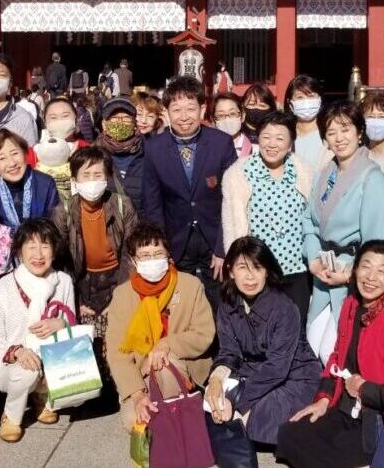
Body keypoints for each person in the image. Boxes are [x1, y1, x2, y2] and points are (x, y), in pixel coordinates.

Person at [276, 241, 384, 468]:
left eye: (382, 271)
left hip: (377, 421)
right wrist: (323, 399)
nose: (371, 277)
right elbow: (337, 357)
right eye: (366, 266)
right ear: (355, 269)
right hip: (345, 409)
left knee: (322, 456)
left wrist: (364, 388)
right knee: (289, 434)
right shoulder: (351, 305)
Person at [205, 237, 320, 457]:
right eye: (242, 268)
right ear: (230, 271)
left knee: (253, 416)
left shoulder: (284, 308)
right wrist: (216, 379)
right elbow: (229, 352)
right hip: (254, 374)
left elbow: (277, 367)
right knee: (213, 403)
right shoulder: (227, 305)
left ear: (267, 271)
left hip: (295, 375)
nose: (250, 276)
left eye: (257, 268)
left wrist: (237, 401)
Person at [303, 102, 384, 357]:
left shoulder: (371, 178)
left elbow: (379, 244)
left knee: (336, 353)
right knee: (313, 345)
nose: (339, 138)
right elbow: (309, 222)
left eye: (345, 129)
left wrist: (353, 275)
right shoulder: (326, 173)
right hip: (324, 270)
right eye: (331, 132)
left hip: (351, 273)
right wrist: (313, 260)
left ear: (359, 132)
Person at [104, 223, 216, 431]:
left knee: (164, 366)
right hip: (141, 374)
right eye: (145, 255)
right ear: (133, 261)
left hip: (182, 368)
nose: (152, 260)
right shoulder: (122, 295)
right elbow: (117, 352)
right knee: (134, 421)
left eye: (158, 253)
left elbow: (204, 333)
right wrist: (137, 395)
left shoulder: (190, 285)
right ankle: (172, 421)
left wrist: (166, 344)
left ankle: (177, 421)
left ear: (168, 256)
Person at [142, 76, 238, 307]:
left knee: (220, 304)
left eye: (190, 109)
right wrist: (162, 250)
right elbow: (152, 205)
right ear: (166, 112)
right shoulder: (154, 148)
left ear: (203, 109)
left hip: (214, 239)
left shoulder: (221, 143)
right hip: (176, 242)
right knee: (180, 307)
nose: (184, 117)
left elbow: (232, 199)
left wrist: (223, 249)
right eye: (176, 110)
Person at [0, 219, 75, 442]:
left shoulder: (63, 281)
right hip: (11, 364)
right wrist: (18, 352)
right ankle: (12, 416)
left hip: (50, 359)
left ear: (54, 250)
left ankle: (42, 397)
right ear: (20, 251)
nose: (39, 254)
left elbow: (72, 323)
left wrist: (60, 324)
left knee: (42, 368)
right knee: (27, 371)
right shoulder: (5, 285)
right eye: (31, 247)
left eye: (45, 246)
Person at [222, 111, 314, 318]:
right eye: (266, 136)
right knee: (261, 328)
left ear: (291, 142)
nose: (272, 144)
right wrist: (239, 267)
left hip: (297, 267)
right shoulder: (238, 174)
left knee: (296, 326)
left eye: (280, 138)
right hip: (258, 270)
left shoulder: (303, 171)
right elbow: (232, 227)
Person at [54, 146, 137, 337]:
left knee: (118, 336)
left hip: (118, 277)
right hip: (82, 282)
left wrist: (121, 295)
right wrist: (75, 301)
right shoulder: (63, 211)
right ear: (75, 179)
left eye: (98, 175)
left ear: (107, 178)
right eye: (86, 175)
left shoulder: (123, 205)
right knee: (86, 341)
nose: (92, 181)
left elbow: (130, 253)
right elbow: (61, 261)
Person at [0, 130, 63, 276]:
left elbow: (55, 228)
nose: (12, 163)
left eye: (15, 153)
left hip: (38, 256)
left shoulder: (45, 183)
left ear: (25, 154)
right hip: (4, 265)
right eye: (2, 158)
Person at [27, 96, 91, 206]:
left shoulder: (87, 150)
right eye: (53, 117)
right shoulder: (33, 153)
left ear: (75, 118)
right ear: (45, 121)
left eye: (65, 116)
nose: (60, 121)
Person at [95, 97, 147, 205]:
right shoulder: (93, 154)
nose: (120, 122)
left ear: (134, 123)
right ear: (104, 125)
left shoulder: (148, 152)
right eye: (114, 117)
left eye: (126, 117)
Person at [284, 75, 326, 170]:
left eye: (311, 96)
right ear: (290, 103)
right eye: (300, 97)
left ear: (320, 100)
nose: (306, 101)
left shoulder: (329, 133)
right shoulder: (285, 133)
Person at [213, 92, 252, 160]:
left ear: (242, 116)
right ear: (214, 120)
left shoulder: (255, 150)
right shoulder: (208, 149)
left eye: (232, 114)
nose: (227, 119)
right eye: (221, 115)